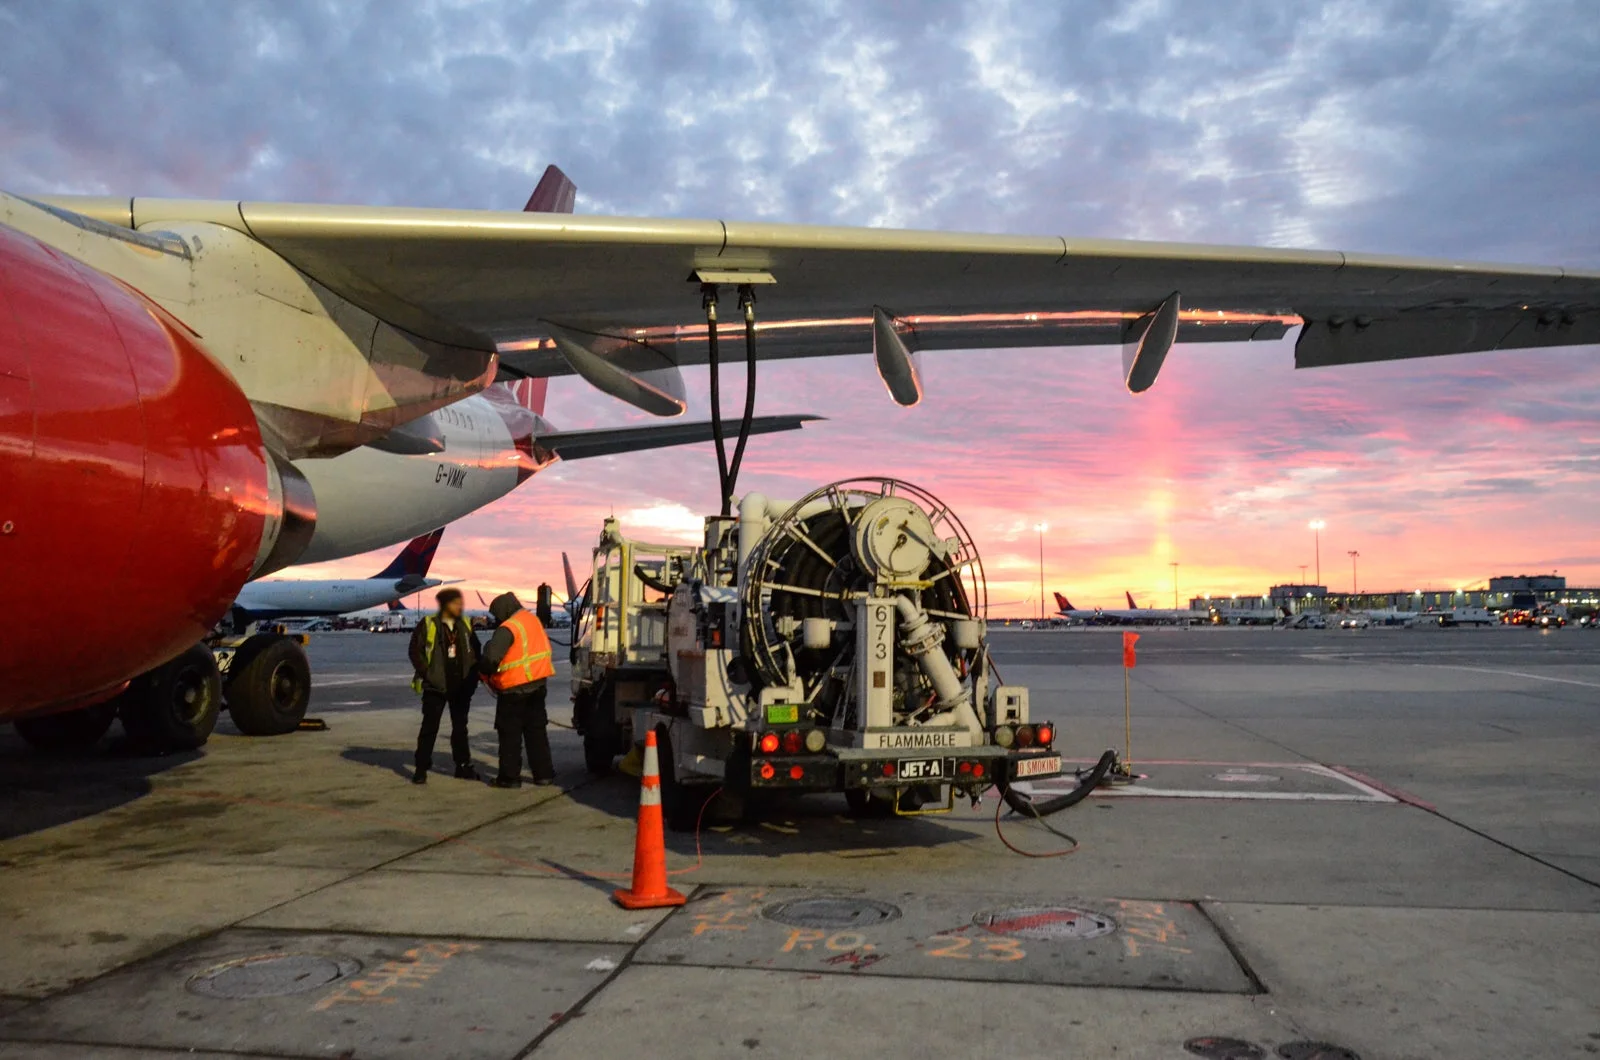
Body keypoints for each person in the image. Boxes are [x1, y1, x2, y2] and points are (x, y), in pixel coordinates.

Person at [480, 591, 557, 789]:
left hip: (514, 689)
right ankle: (544, 775)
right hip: (538, 685)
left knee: (510, 736)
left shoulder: (508, 628)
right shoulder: (532, 620)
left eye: (496, 615)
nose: (496, 620)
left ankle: (509, 778)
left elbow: (491, 658)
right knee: (536, 733)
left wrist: (484, 669)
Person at [408, 588, 482, 784]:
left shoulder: (466, 624)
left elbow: (476, 651)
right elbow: (415, 651)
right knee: (429, 728)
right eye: (455, 603)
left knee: (460, 729)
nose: (460, 606)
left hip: (461, 686)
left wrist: (473, 678)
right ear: (445, 605)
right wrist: (429, 674)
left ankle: (463, 766)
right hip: (436, 686)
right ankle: (421, 767)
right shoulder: (428, 624)